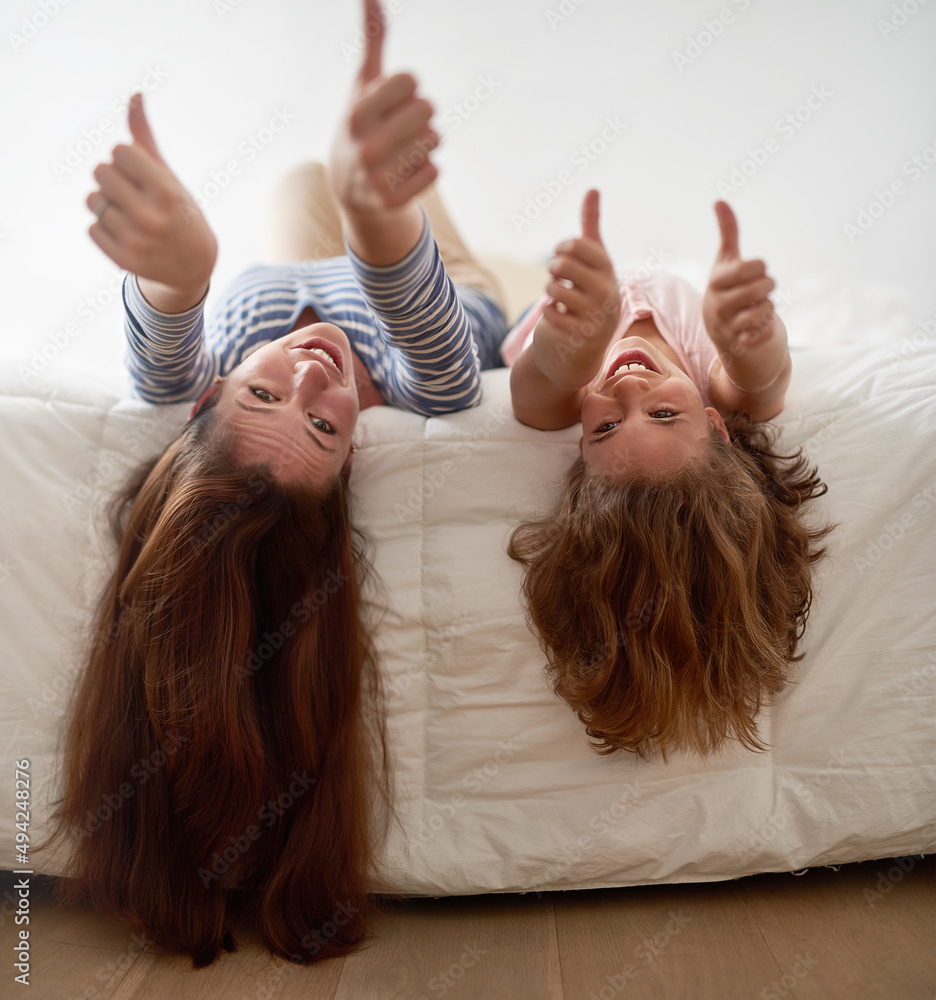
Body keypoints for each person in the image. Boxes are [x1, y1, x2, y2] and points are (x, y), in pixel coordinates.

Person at [48, 0, 506, 968]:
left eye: (264, 393)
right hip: (452, 287)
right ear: (357, 451)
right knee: (355, 199)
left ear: (216, 390)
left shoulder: (219, 375)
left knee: (302, 179)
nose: (312, 375)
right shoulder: (413, 380)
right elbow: (439, 352)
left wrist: (178, 279)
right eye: (329, 424)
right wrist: (380, 224)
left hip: (289, 269)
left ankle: (343, 198)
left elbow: (159, 375)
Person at [506, 190, 830, 761]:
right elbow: (758, 386)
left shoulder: (567, 398)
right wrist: (750, 339)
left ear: (581, 451)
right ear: (716, 428)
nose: (627, 390)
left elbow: (542, 385)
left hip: (534, 293)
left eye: (605, 428)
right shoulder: (715, 388)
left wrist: (575, 347)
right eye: (662, 415)